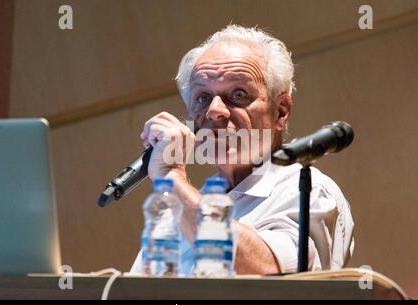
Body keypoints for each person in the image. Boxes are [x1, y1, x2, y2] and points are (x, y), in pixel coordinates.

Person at [130, 25, 354, 275]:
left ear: (281, 110)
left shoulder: (307, 190)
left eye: (238, 94)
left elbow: (264, 272)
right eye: (202, 97)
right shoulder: (176, 213)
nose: (215, 110)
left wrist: (171, 177)